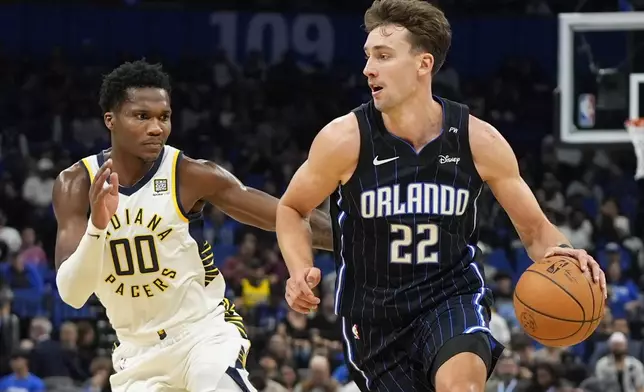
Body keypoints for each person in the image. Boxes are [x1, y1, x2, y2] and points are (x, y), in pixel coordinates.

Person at [275, 1, 607, 391]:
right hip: (374, 317)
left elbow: (535, 231)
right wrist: (299, 269)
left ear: (423, 64)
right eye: (368, 56)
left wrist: (565, 252)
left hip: (450, 298)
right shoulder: (343, 140)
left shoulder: (478, 140)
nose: (368, 68)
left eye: (383, 56)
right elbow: (292, 208)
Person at [52, 60, 333, 392]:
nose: (156, 128)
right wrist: (97, 227)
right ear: (110, 120)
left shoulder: (189, 174)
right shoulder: (76, 183)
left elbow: (286, 214)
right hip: (136, 355)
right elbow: (72, 294)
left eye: (164, 116)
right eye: (142, 116)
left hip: (203, 335)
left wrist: (366, 237)